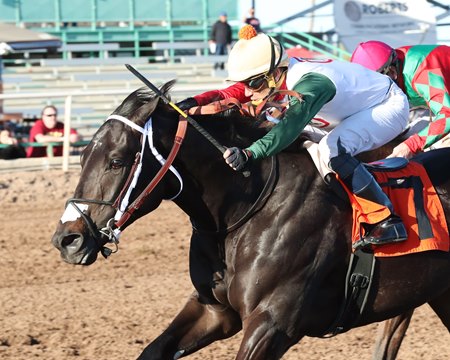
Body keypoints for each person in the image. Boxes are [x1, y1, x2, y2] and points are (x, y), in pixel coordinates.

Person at [177, 25, 410, 247]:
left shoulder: (312, 83)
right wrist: (195, 101)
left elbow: (288, 128)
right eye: (246, 83)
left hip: (387, 105)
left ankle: (385, 218)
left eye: (254, 83)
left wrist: (250, 153)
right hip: (344, 112)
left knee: (332, 149)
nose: (248, 91)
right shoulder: (277, 72)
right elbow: (230, 93)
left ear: (276, 73)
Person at [351, 41, 450, 159]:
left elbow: (447, 115)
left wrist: (410, 145)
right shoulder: (393, 63)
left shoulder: (421, 72)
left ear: (392, 72)